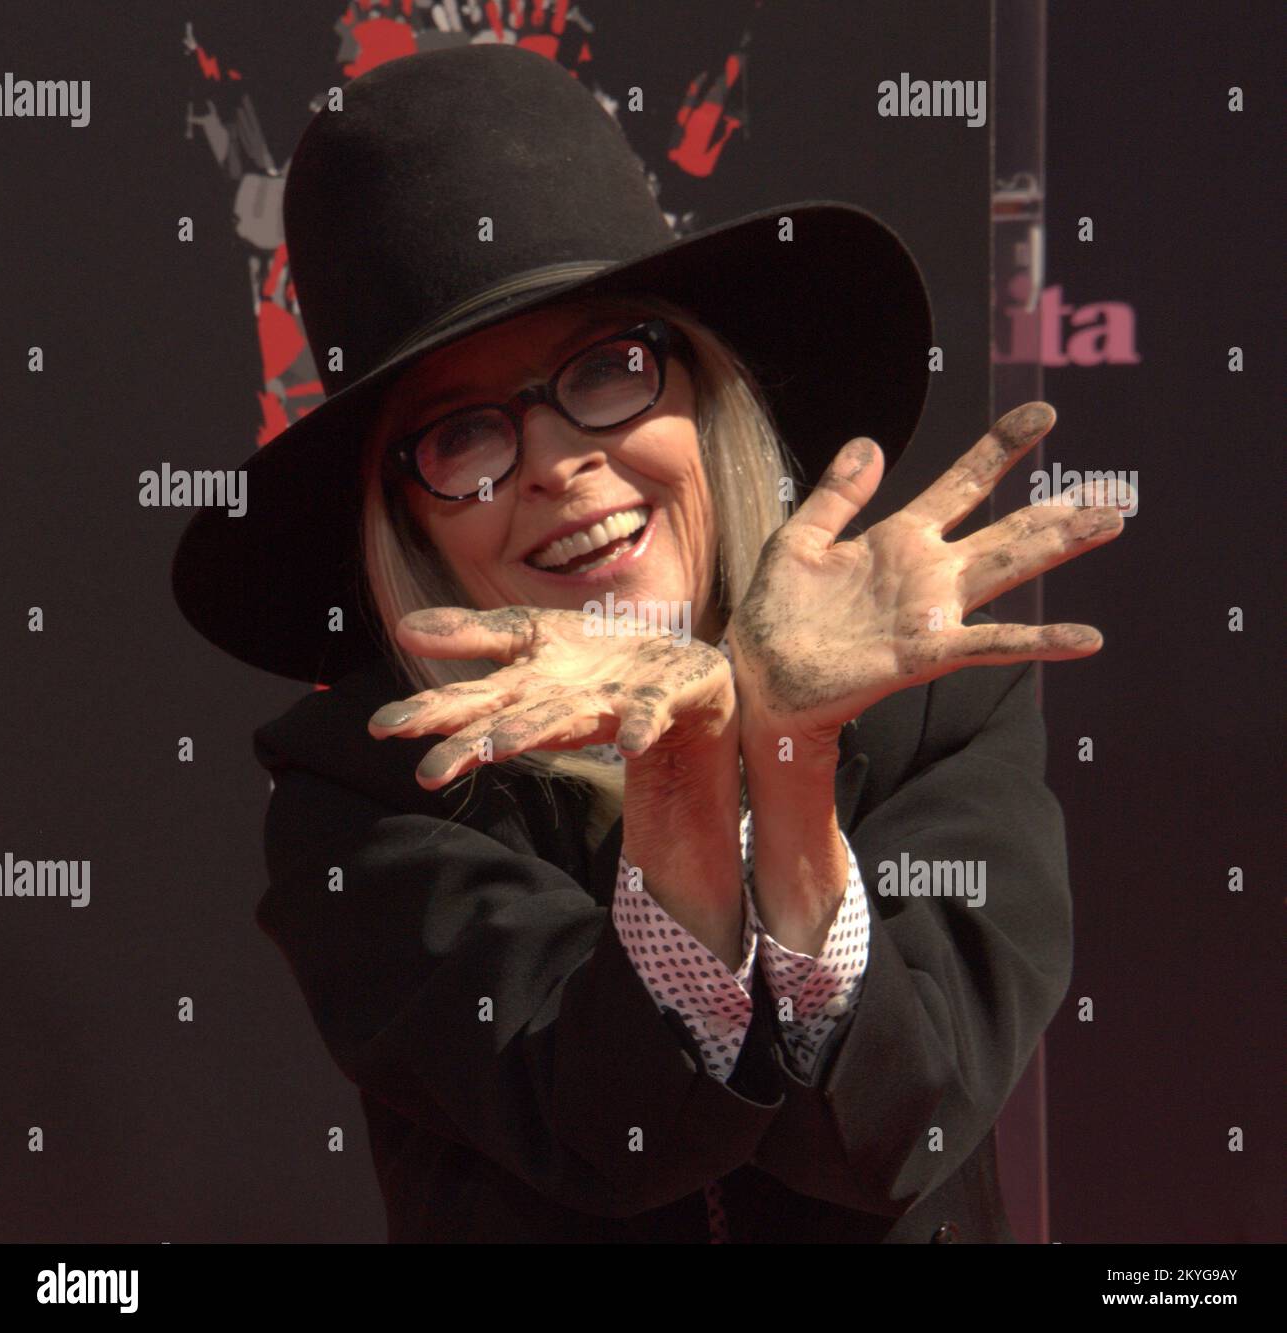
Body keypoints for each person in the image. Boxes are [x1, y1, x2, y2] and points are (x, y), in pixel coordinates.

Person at [171, 46, 1129, 1243]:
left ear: (705, 387)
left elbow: (895, 1126)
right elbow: (615, 1133)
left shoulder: (931, 695)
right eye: (463, 436)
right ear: (402, 513)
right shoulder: (366, 787)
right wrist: (685, 767)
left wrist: (785, 753)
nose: (561, 464)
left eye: (608, 368)